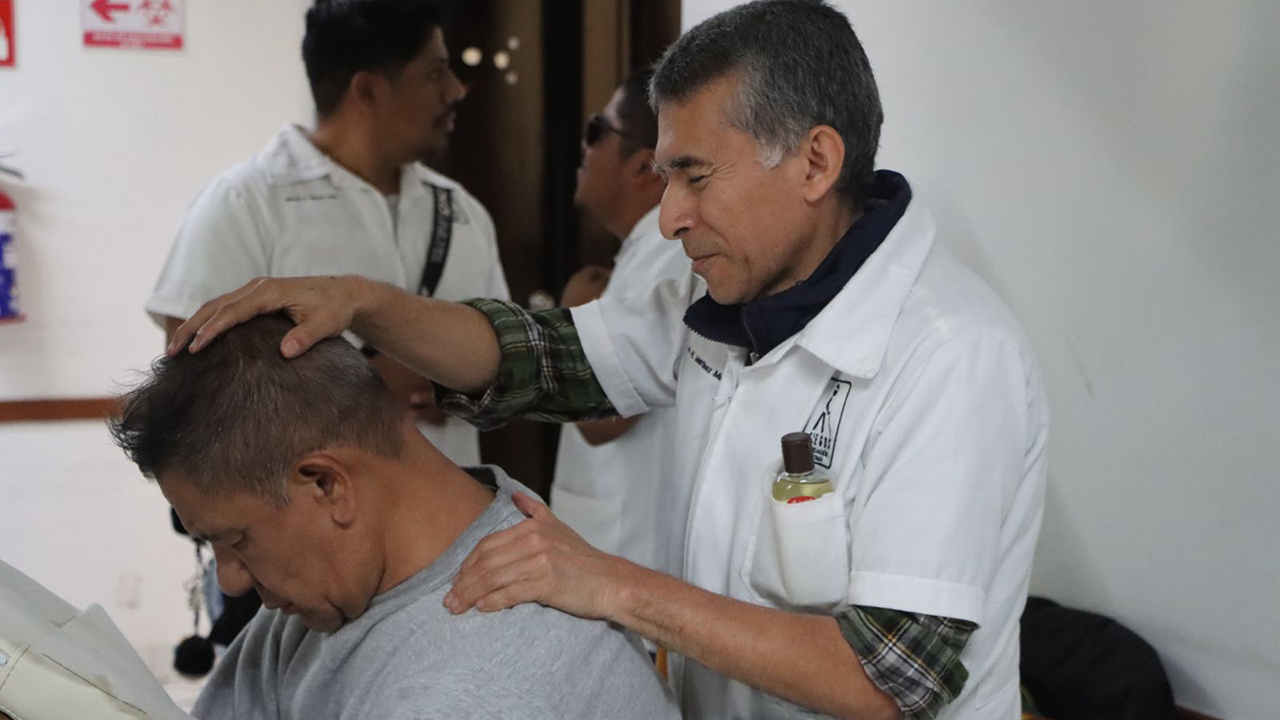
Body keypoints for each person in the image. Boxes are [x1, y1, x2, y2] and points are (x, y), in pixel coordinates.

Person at [168, 2, 1050, 718]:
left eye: (695, 176)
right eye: (664, 177)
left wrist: (616, 586)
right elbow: (540, 358)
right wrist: (365, 303)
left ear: (816, 161)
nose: (668, 217)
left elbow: (889, 679)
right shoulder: (726, 303)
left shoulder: (950, 357)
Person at [109, 315, 680, 720]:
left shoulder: (475, 688)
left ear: (326, 484)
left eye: (237, 540)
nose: (231, 580)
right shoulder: (331, 586)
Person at [146, 0, 509, 467]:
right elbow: (191, 393)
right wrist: (367, 386)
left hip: (455, 504)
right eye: (436, 72)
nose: (456, 89)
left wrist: (462, 384)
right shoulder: (245, 202)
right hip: (300, 508)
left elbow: (510, 365)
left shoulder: (462, 211)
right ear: (369, 90)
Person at [551, 68, 691, 575]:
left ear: (642, 165)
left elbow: (600, 416)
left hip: (626, 551)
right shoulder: (645, 251)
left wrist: (571, 315)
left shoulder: (667, 253)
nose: (584, 147)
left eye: (597, 130)